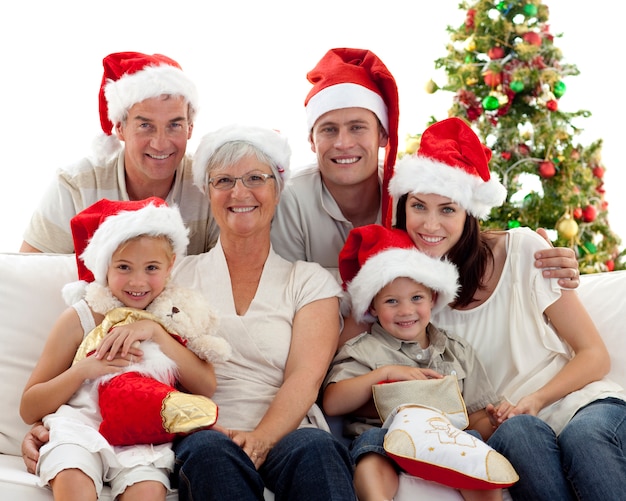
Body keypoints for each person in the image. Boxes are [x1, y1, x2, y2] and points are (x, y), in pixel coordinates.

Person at [389, 116, 626, 500]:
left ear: (469, 214)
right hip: (511, 423)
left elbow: (594, 355)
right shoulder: (413, 296)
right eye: (419, 206)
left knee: (587, 440)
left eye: (447, 209)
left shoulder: (524, 250)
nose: (430, 224)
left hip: (582, 402)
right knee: (519, 436)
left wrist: (537, 399)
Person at [270, 46, 580, 285]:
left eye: (357, 127)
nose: (343, 143)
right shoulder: (291, 199)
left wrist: (529, 252)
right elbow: (285, 290)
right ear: (311, 141)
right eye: (328, 129)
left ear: (383, 135)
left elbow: (452, 232)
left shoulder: (411, 190)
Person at [167, 123, 355, 500]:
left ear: (277, 189)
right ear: (207, 192)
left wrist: (259, 440)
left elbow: (305, 377)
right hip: (205, 433)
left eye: (255, 178)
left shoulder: (309, 282)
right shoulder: (174, 275)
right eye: (223, 181)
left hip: (290, 434)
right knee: (210, 452)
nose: (240, 192)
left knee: (318, 449)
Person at [20, 198, 222, 501]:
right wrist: (83, 371)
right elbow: (29, 407)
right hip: (80, 429)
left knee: (147, 490)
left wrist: (155, 332)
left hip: (142, 438)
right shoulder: (82, 317)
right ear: (104, 268)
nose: (137, 281)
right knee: (72, 479)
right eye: (124, 267)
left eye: (151, 267)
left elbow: (206, 386)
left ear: (170, 268)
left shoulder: (173, 317)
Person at [323, 223, 503, 501]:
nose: (406, 310)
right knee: (370, 453)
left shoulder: (455, 349)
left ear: (432, 299)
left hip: (447, 440)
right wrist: (385, 373)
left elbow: (475, 414)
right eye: (392, 301)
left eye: (416, 298)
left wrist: (493, 420)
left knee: (476, 452)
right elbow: (333, 402)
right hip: (385, 439)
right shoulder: (364, 350)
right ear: (373, 307)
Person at [20, 51, 219, 255]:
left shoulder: (211, 185)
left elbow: (233, 275)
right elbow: (30, 273)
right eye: (145, 125)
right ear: (120, 128)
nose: (160, 144)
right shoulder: (75, 186)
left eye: (174, 125)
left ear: (190, 128)